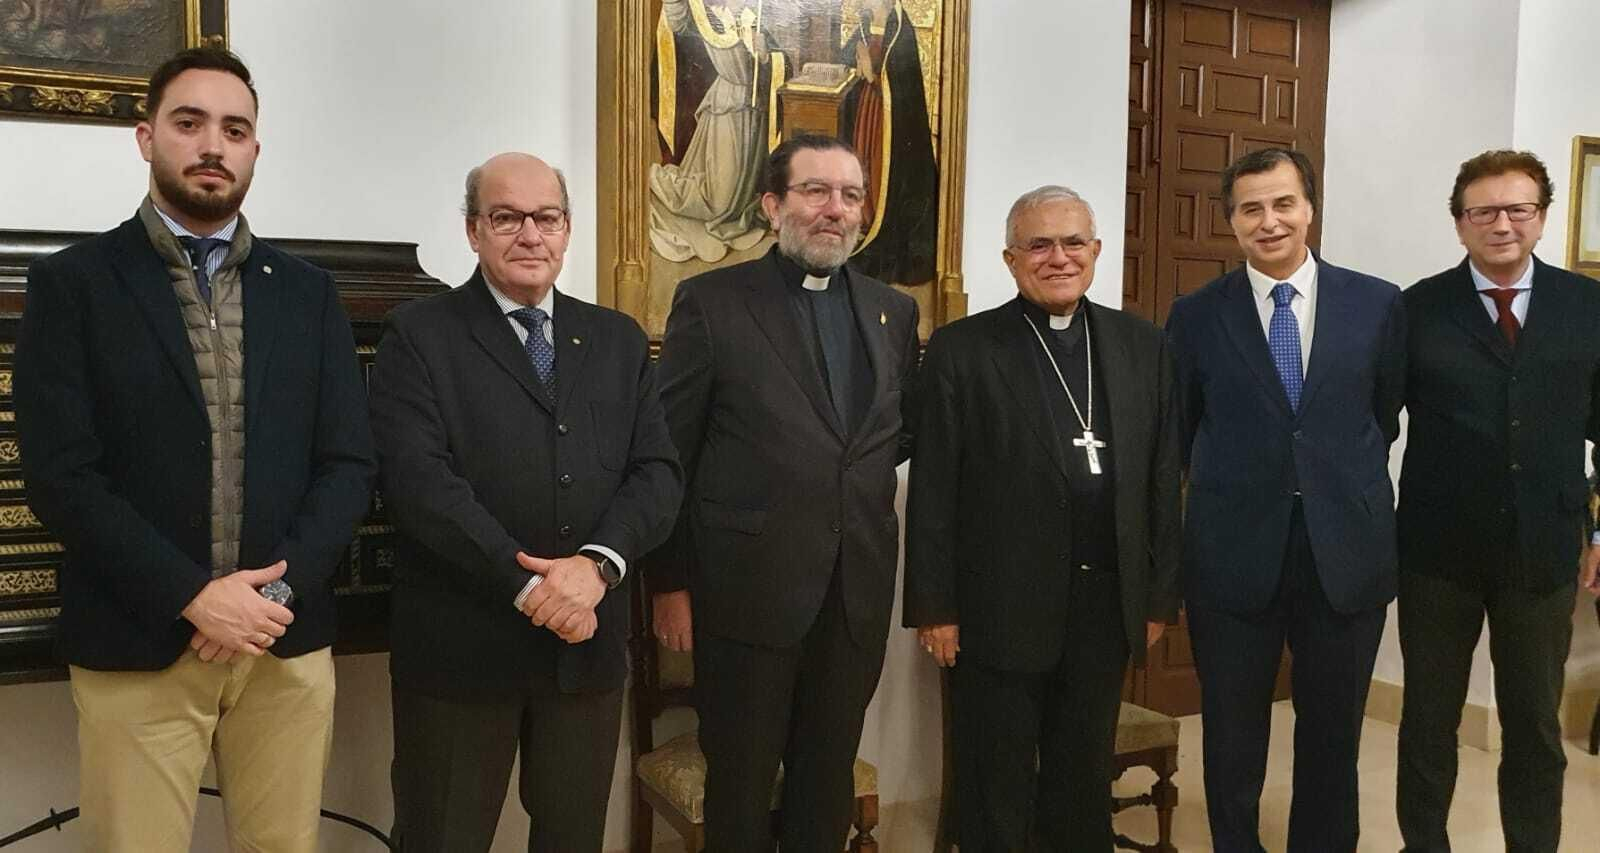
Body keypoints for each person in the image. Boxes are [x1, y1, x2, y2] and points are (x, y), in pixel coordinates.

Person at [14, 46, 376, 852]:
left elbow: (348, 465)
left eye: (235, 128)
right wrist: (192, 594)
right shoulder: (72, 286)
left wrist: (267, 604)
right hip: (137, 641)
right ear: (146, 138)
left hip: (282, 647)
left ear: (254, 149)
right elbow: (61, 474)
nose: (213, 144)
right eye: (190, 123)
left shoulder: (310, 293)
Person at [368, 152, 683, 852]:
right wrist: (531, 586)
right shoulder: (419, 335)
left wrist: (594, 567)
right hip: (460, 653)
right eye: (506, 217)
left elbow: (657, 473)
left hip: (585, 653)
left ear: (568, 229)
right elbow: (420, 485)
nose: (529, 234)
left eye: (546, 217)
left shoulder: (618, 340)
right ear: (473, 230)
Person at [647, 133, 919, 851]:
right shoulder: (711, 303)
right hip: (745, 595)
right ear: (772, 205)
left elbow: (892, 437)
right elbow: (668, 453)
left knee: (825, 781)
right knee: (739, 786)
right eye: (816, 191)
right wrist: (669, 582)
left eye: (851, 195)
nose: (836, 209)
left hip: (854, 590)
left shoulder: (894, 312)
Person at [904, 185, 1182, 851]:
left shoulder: (1142, 346)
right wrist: (935, 606)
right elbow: (934, 487)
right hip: (997, 607)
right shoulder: (961, 348)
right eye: (1040, 244)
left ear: (1096, 252)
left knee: (1083, 779)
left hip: (1105, 607)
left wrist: (1157, 596)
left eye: (1073, 242)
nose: (1058, 257)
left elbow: (1161, 481)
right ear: (1010, 258)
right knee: (992, 780)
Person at [1164, 147, 1406, 851]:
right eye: (1250, 209)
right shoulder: (1196, 315)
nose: (1269, 222)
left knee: (1333, 738)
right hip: (1232, 555)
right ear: (1231, 221)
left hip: (1346, 553)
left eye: (1283, 203)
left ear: (1309, 207)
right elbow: (1179, 432)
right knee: (1233, 737)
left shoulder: (1378, 302)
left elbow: (1381, 415)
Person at [1395, 149, 1600, 852]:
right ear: (1460, 225)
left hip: (1542, 551)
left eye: (1519, 209)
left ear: (1542, 217)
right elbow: (1370, 422)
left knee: (1535, 729)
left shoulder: (1589, 306)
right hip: (1435, 554)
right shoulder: (1417, 307)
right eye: (1484, 211)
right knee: (1427, 724)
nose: (1502, 224)